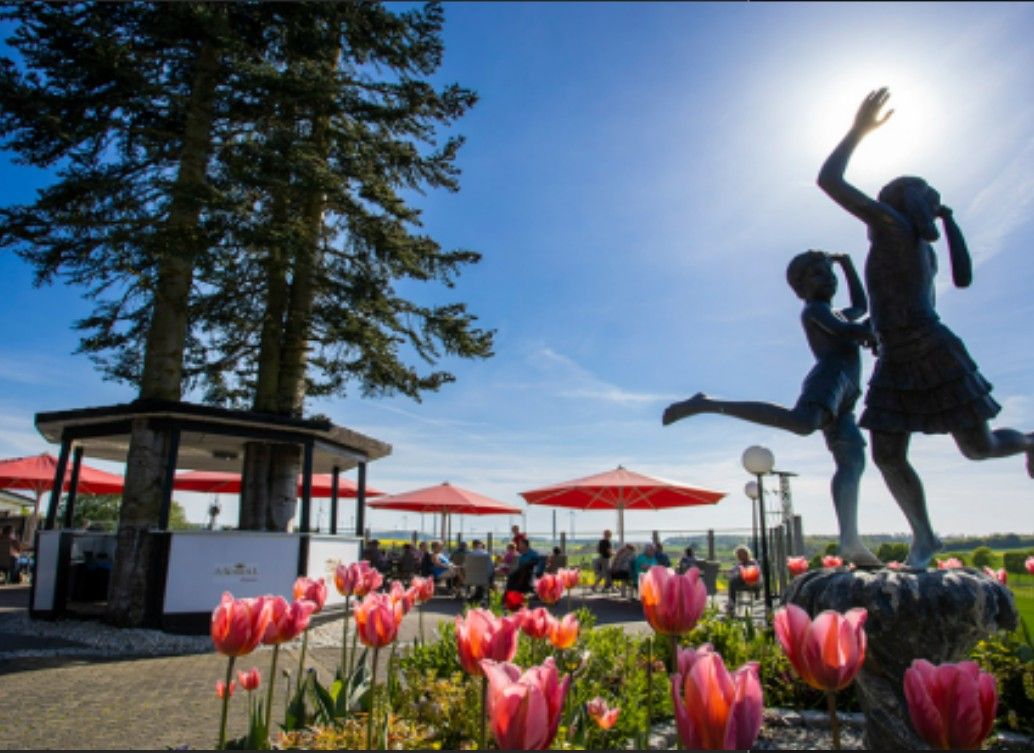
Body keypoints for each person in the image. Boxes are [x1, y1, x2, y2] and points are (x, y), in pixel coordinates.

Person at [818, 87, 1034, 568]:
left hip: (931, 350)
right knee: (891, 453)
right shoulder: (914, 243)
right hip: (895, 354)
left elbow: (828, 180)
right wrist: (875, 324)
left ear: (894, 205)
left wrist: (857, 131)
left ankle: (1029, 441)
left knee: (978, 447)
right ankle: (926, 537)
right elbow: (909, 296)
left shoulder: (895, 228)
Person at [663, 246, 881, 567]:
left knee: (852, 461)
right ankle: (708, 404)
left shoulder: (835, 311)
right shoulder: (814, 311)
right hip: (830, 381)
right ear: (801, 287)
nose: (830, 280)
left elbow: (861, 306)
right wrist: (874, 328)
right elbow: (851, 330)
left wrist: (848, 266)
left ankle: (850, 540)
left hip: (847, 391)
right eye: (819, 274)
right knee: (802, 422)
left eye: (831, 274)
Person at [725, 545, 759, 615]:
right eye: (738, 555)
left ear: (746, 554)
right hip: (741, 583)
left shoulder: (752, 562)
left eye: (740, 555)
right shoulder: (739, 564)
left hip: (751, 583)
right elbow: (733, 571)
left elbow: (756, 574)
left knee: (733, 581)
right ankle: (731, 604)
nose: (739, 557)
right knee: (732, 581)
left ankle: (731, 605)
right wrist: (729, 573)